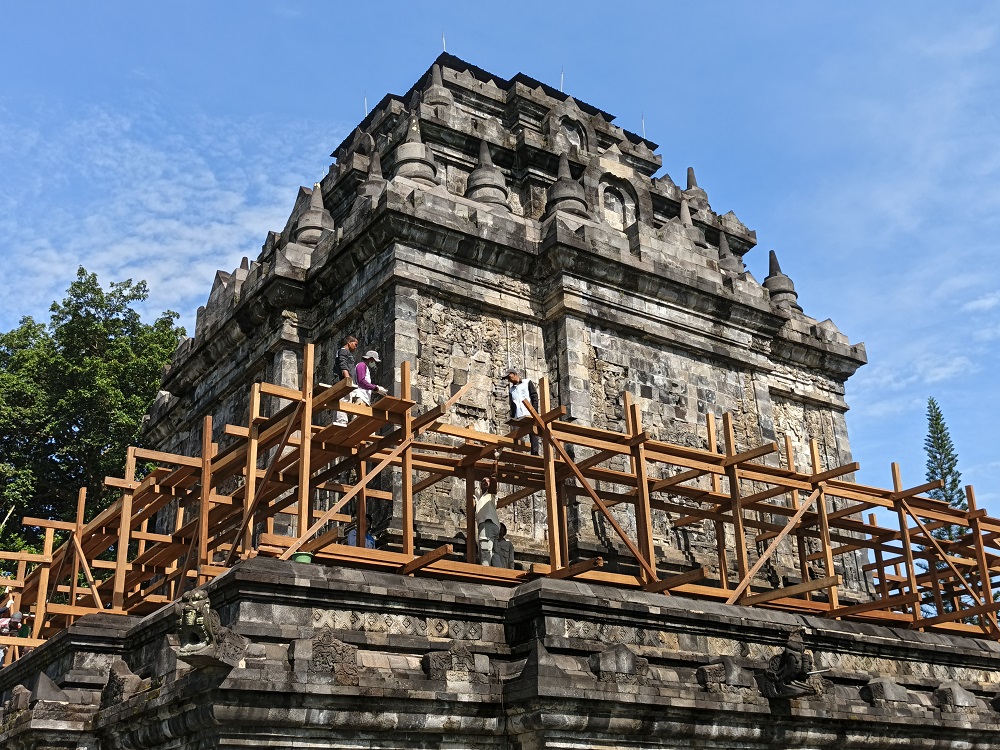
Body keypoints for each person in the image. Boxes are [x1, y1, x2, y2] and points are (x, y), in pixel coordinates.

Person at [506, 370, 540, 455]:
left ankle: (535, 453)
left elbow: (534, 396)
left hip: (529, 412)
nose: (508, 380)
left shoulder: (527, 382)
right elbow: (512, 404)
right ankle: (518, 452)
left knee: (533, 432)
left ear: (513, 374)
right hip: (518, 415)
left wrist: (534, 411)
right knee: (517, 434)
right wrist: (512, 417)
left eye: (509, 377)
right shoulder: (511, 390)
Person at [333, 335, 359, 426]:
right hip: (345, 380)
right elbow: (343, 364)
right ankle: (341, 420)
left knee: (346, 399)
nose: (356, 347)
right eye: (355, 344)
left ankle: (341, 420)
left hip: (347, 380)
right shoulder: (343, 351)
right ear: (349, 343)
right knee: (344, 399)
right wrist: (347, 378)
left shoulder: (345, 352)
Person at [475, 477, 501, 567]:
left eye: (488, 481)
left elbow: (493, 485)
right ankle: (498, 571)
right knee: (494, 551)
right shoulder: (483, 498)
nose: (485, 482)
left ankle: (485, 570)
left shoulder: (491, 494)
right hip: (491, 524)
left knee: (485, 549)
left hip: (488, 523)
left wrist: (493, 474)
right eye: (483, 481)